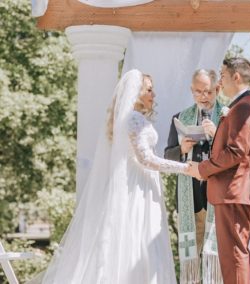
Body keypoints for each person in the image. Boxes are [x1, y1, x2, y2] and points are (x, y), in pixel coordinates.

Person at [40, 69, 189, 284]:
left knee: (141, 239)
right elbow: (146, 159)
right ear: (136, 93)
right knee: (138, 238)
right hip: (137, 188)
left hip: (142, 185)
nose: (153, 94)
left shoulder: (135, 119)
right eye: (149, 89)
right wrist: (184, 168)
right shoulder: (133, 120)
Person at [188, 58, 250, 284]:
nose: (219, 81)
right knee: (232, 254)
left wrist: (202, 169)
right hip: (235, 190)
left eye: (222, 75)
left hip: (233, 190)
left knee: (233, 255)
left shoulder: (243, 107)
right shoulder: (244, 105)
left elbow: (236, 152)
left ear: (236, 77)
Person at [164, 69, 224, 283]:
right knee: (191, 263)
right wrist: (180, 149)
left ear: (217, 89)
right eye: (198, 92)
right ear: (191, 91)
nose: (203, 97)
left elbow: (236, 155)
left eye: (208, 91)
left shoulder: (227, 116)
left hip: (217, 201)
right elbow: (167, 157)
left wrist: (217, 134)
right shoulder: (179, 118)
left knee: (218, 263)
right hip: (190, 199)